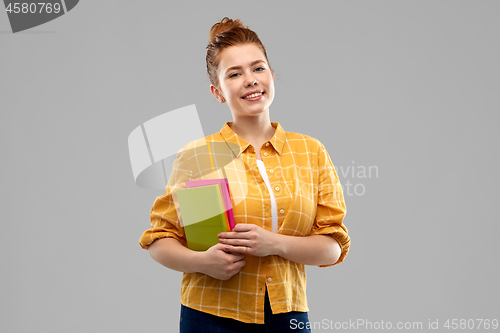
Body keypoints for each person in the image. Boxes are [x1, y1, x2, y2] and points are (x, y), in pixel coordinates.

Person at [139, 17, 350, 332]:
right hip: (211, 315)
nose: (250, 80)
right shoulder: (198, 156)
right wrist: (203, 262)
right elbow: (159, 239)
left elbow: (333, 246)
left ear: (271, 75)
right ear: (218, 92)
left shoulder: (311, 151)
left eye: (258, 68)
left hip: (287, 316)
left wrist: (274, 243)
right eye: (234, 74)